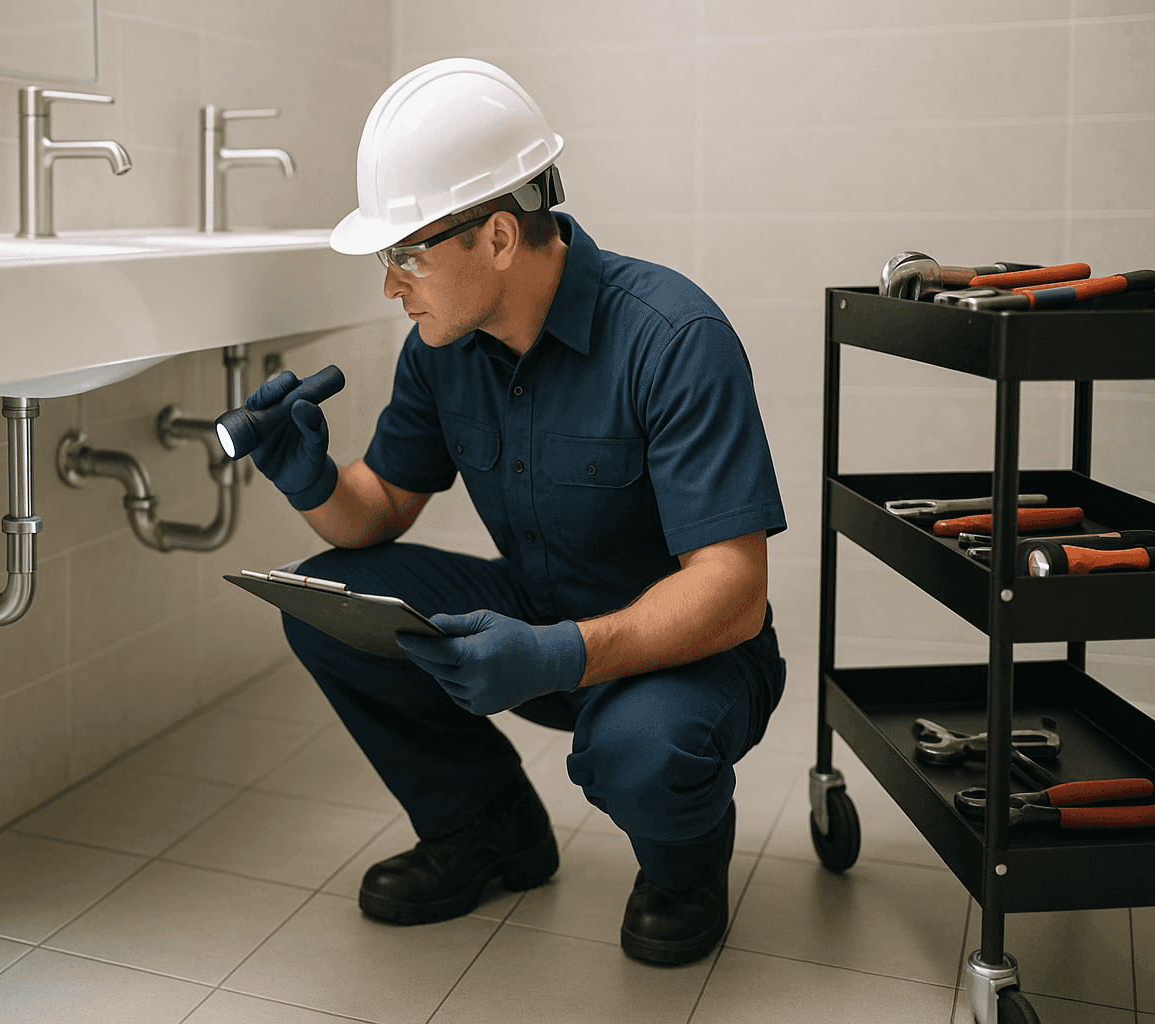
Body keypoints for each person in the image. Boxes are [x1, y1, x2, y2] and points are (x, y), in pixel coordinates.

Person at [243, 57, 786, 966]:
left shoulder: (675, 338)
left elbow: (734, 594)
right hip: (538, 622)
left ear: (497, 236)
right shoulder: (441, 347)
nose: (391, 285)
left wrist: (559, 654)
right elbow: (376, 514)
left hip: (684, 660)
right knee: (330, 601)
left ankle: (684, 867)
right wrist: (311, 479)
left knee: (642, 748)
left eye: (405, 254)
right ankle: (488, 828)